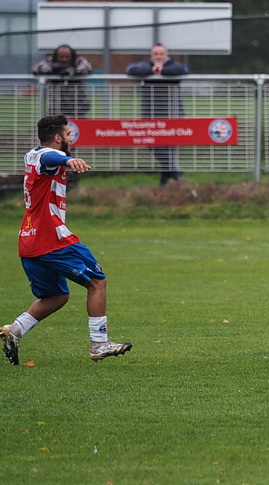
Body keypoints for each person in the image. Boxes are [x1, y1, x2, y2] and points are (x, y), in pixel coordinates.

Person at [1, 115, 133, 366]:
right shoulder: (47, 157)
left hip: (29, 240)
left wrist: (65, 159)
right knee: (97, 281)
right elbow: (52, 157)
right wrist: (69, 159)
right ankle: (99, 343)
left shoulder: (31, 155)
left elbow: (47, 159)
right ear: (58, 138)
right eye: (69, 135)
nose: (73, 139)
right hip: (51, 237)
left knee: (56, 296)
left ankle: (15, 329)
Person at [126, 44, 189, 186]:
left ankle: (165, 184)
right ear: (151, 56)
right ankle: (174, 171)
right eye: (156, 54)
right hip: (151, 115)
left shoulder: (174, 66)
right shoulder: (145, 66)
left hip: (172, 114)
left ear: (167, 55)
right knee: (151, 142)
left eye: (161, 54)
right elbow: (130, 70)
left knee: (169, 148)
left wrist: (162, 70)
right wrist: (150, 70)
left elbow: (183, 70)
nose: (159, 57)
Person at [32, 44, 93, 118]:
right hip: (57, 106)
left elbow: (86, 67)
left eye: (67, 57)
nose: (64, 59)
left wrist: (70, 71)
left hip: (77, 106)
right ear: (56, 57)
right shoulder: (50, 61)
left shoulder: (78, 60)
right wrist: (54, 70)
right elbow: (36, 68)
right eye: (61, 57)